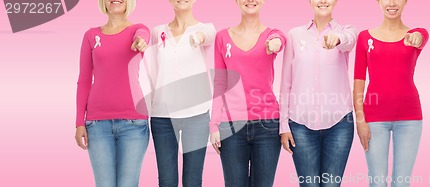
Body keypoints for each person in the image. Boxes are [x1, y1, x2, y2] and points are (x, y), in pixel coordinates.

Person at [208, 0, 286, 186]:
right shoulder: (222, 37)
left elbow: (280, 38)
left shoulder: (271, 36)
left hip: (267, 125)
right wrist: (213, 125)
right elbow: (220, 82)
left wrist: (276, 42)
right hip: (231, 127)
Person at [280, 0, 357, 186]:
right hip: (300, 125)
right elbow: (285, 82)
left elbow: (349, 40)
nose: (323, 1)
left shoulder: (346, 31)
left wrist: (337, 39)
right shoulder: (294, 35)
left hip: (339, 124)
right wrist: (283, 126)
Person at [74, 0, 150, 186]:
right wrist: (79, 122)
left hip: (133, 124)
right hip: (97, 125)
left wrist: (140, 42)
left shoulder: (137, 30)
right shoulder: (91, 35)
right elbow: (84, 80)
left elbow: (143, 36)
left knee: (128, 184)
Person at [353, 0, 429, 186]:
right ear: (378, 2)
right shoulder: (364, 37)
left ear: (405, 2)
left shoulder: (415, 35)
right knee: (377, 181)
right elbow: (358, 83)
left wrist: (417, 37)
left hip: (410, 118)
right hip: (374, 119)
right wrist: (360, 120)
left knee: (402, 182)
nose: (392, 3)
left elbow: (422, 36)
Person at [148, 0, 216, 186]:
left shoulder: (206, 28)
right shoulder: (157, 31)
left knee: (193, 180)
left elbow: (208, 36)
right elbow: (153, 71)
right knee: (166, 181)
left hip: (197, 116)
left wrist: (199, 37)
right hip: (162, 116)